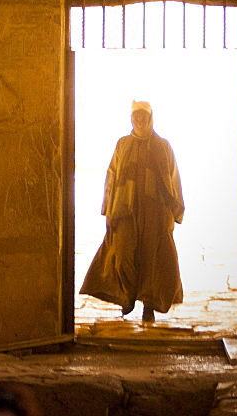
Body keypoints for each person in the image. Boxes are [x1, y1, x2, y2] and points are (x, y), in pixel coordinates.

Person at [80, 100, 185, 323]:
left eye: (143, 117)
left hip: (154, 210)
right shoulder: (123, 144)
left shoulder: (162, 146)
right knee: (123, 254)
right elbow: (112, 176)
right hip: (125, 209)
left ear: (150, 119)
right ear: (131, 119)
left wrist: (174, 210)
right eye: (136, 117)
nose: (140, 121)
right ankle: (127, 295)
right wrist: (108, 209)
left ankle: (149, 305)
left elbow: (173, 178)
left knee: (151, 258)